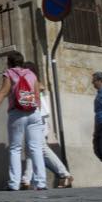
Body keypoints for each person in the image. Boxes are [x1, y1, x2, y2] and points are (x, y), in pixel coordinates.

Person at [0, 51, 46, 191]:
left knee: (15, 148)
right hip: (33, 112)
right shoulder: (31, 74)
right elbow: (37, 94)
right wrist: (36, 109)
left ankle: (14, 183)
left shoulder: (9, 73)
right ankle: (41, 182)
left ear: (9, 62)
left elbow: (3, 92)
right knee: (36, 148)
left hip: (17, 113)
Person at [19, 61, 73, 189]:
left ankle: (64, 174)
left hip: (38, 119)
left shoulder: (34, 81)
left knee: (39, 148)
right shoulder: (31, 81)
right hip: (36, 118)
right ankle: (27, 179)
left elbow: (40, 88)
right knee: (32, 149)